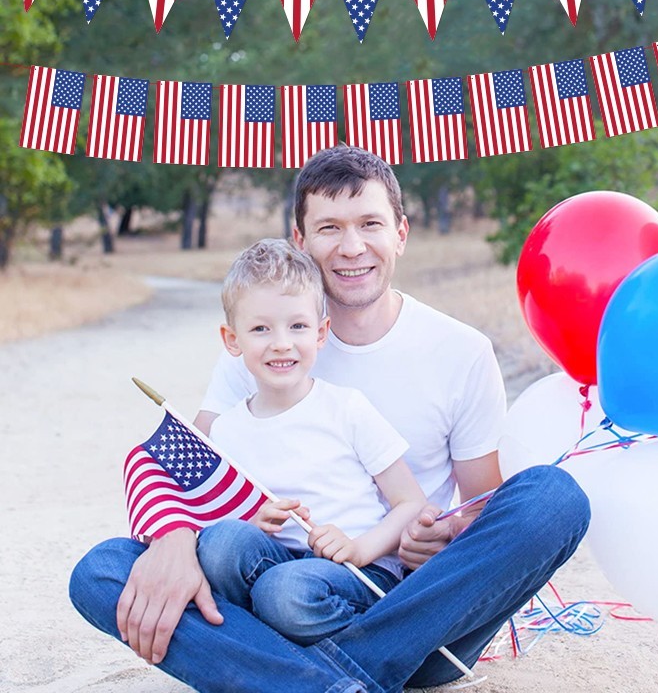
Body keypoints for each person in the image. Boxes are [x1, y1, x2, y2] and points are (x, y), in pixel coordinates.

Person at [70, 145, 590, 692]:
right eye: (328, 228)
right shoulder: (269, 343)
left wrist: (439, 533)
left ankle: (302, 678)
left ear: (401, 234)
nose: (351, 247)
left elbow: (481, 508)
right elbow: (190, 469)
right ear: (300, 240)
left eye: (370, 224)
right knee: (102, 570)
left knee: (553, 497)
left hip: (415, 612)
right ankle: (331, 682)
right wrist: (171, 540)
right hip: (270, 589)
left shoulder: (461, 351)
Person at [199, 237, 426, 645]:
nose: (281, 342)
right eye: (260, 328)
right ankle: (268, 649)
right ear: (232, 340)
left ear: (321, 333)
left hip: (358, 570)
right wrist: (254, 522)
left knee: (284, 593)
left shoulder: (346, 408)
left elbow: (411, 503)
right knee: (220, 542)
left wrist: (359, 549)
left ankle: (351, 650)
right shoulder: (227, 431)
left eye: (298, 326)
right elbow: (225, 522)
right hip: (278, 563)